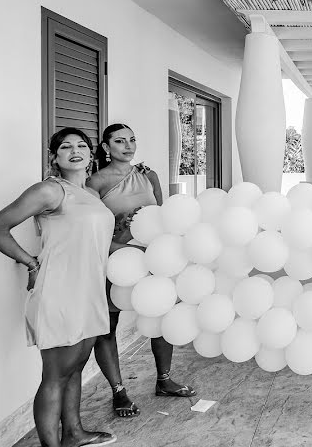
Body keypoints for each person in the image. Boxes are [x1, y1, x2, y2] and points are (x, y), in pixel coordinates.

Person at [0, 128, 116, 447]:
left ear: (91, 153)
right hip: (61, 293)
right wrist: (29, 261)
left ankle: (73, 433)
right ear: (54, 157)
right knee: (55, 376)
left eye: (82, 145)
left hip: (90, 291)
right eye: (65, 147)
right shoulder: (50, 190)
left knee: (74, 370)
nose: (75, 150)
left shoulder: (92, 195)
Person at [87, 123, 196, 418]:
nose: (128, 145)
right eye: (120, 141)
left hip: (152, 258)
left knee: (161, 315)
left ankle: (164, 380)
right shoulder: (94, 183)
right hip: (115, 259)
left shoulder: (148, 174)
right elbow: (92, 228)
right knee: (107, 326)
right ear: (106, 148)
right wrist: (121, 226)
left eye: (132, 140)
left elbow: (164, 215)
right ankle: (118, 392)